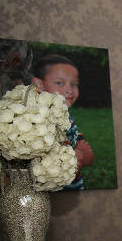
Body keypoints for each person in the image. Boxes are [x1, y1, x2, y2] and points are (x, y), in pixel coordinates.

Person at [31, 54, 94, 190]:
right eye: (60, 83)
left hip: (74, 187)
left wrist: (80, 155)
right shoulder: (33, 122)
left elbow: (88, 157)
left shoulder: (68, 120)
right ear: (39, 84)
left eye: (74, 84)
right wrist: (76, 156)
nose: (69, 90)